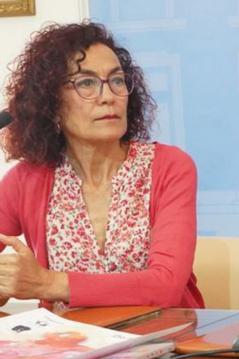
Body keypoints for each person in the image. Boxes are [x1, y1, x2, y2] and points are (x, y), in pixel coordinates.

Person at [0, 22, 203, 309]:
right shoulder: (25, 180)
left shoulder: (170, 167)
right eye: (86, 83)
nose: (108, 96)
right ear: (50, 102)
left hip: (163, 344)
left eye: (117, 80)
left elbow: (166, 286)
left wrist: (45, 283)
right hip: (68, 348)